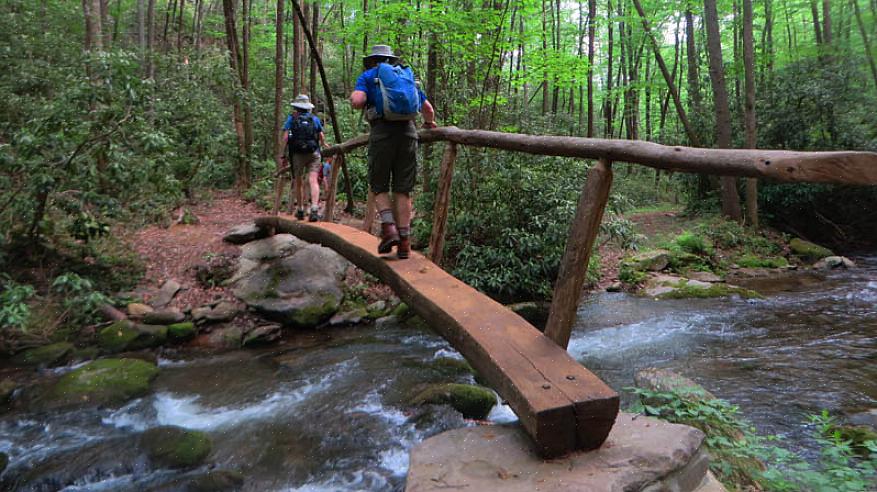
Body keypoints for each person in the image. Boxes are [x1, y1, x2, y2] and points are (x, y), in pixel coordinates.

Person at [350, 45, 437, 259]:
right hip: (409, 132)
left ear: (373, 60)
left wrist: (355, 97)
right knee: (403, 189)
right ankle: (405, 242)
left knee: (378, 185)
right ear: (390, 59)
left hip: (382, 132)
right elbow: (428, 109)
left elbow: (358, 101)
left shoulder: (369, 76)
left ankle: (389, 229)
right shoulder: (405, 77)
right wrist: (429, 124)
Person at [283, 94, 326, 222]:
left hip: (297, 154)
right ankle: (313, 208)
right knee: (313, 180)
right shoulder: (314, 119)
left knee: (298, 181)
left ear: (296, 106)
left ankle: (301, 209)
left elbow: (285, 138)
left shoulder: (291, 119)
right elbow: (321, 136)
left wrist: (283, 155)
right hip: (313, 153)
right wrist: (324, 145)